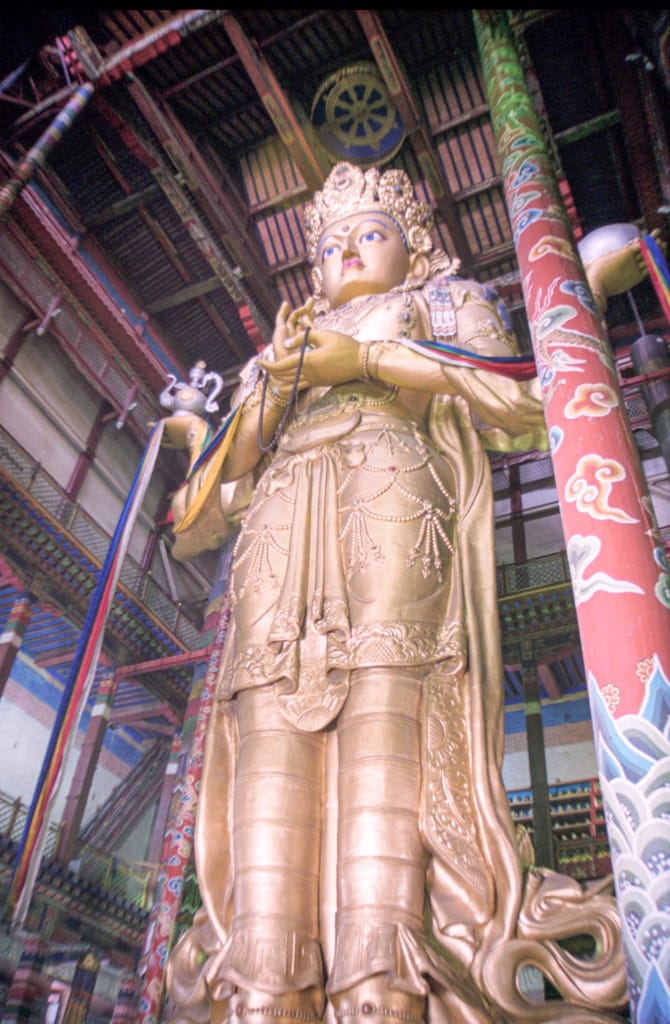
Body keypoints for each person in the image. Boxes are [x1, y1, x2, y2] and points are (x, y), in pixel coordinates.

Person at [163, 163, 632, 1024]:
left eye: (367, 234)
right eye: (331, 243)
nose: (344, 250)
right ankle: (267, 986)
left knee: (388, 717)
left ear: (413, 247)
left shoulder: (444, 304)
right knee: (268, 727)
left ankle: (383, 982)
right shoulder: (281, 347)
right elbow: (201, 510)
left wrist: (370, 358)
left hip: (391, 504)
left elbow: (525, 404)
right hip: (277, 535)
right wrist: (269, 394)